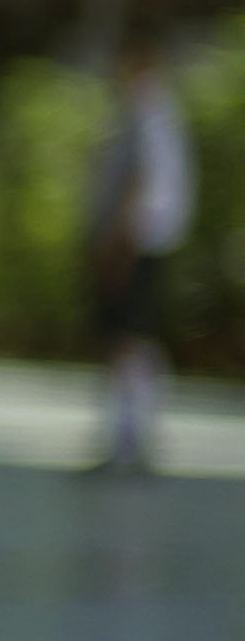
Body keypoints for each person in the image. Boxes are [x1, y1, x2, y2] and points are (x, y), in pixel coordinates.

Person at [85, 24, 196, 476]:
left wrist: (117, 240)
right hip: (140, 240)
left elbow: (141, 181)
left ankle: (130, 442)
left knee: (128, 339)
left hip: (135, 241)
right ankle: (129, 439)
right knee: (131, 340)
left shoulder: (146, 109)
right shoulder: (153, 109)